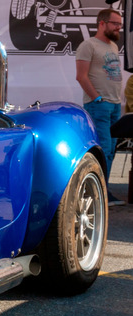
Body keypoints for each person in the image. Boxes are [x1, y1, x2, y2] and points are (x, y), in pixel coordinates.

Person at [75, 8, 125, 205]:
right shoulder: (88, 45)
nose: (119, 27)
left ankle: (104, 191)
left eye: (120, 24)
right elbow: (81, 76)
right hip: (99, 105)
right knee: (103, 148)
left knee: (111, 149)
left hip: (113, 106)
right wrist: (97, 99)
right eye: (115, 23)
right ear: (102, 23)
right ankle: (97, 194)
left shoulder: (112, 46)